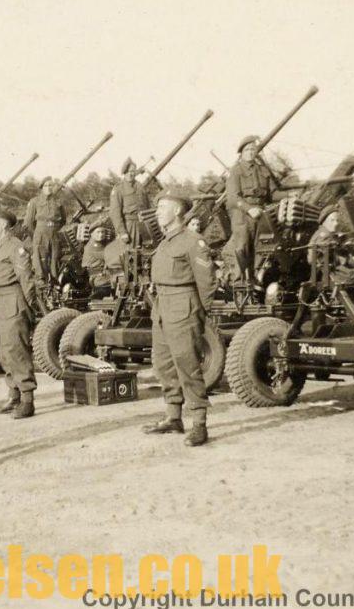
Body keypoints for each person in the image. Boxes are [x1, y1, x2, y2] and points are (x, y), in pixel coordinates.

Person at [141, 190, 217, 447]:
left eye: (163, 206)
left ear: (177, 211)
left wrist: (198, 314)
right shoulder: (165, 241)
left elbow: (207, 284)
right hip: (162, 307)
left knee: (188, 365)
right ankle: (174, 417)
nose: (158, 211)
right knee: (164, 364)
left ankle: (199, 424)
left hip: (183, 307)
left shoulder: (192, 241)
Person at [0, 207, 39, 419]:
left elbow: (26, 279)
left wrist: (29, 307)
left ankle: (27, 401)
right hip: (1, 300)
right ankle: (13, 396)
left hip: (15, 300)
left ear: (4, 224)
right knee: (5, 352)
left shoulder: (15, 247)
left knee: (17, 351)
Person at [225, 135, 275, 285]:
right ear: (241, 152)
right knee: (242, 248)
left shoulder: (262, 170)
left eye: (253, 149)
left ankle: (255, 283)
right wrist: (249, 209)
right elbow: (233, 197)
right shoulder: (235, 171)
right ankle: (239, 285)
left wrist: (289, 195)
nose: (251, 152)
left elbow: (272, 194)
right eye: (247, 149)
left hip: (260, 214)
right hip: (242, 216)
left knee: (260, 250)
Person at [306, 206, 354, 289]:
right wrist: (349, 260)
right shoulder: (324, 237)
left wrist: (353, 259)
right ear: (324, 222)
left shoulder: (326, 234)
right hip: (337, 274)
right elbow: (323, 260)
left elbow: (335, 256)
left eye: (337, 220)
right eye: (332, 220)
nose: (336, 223)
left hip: (337, 272)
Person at [23, 177, 67, 284]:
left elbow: (63, 220)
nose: (49, 188)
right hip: (40, 233)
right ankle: (41, 279)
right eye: (46, 186)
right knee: (40, 259)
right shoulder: (34, 201)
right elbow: (28, 222)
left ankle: (54, 280)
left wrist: (55, 229)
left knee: (55, 257)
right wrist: (36, 235)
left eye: (51, 185)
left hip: (54, 232)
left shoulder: (58, 202)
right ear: (42, 188)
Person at [109, 157, 151, 245]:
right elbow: (115, 213)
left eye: (133, 171)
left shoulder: (140, 186)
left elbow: (148, 206)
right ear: (125, 172)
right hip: (129, 226)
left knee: (148, 250)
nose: (132, 174)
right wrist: (122, 232)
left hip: (144, 224)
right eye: (129, 171)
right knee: (131, 254)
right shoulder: (118, 188)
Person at [82, 226, 112, 297]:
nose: (101, 234)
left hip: (100, 275)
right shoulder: (94, 245)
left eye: (102, 232)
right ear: (91, 234)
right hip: (97, 277)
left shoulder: (99, 243)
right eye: (98, 232)